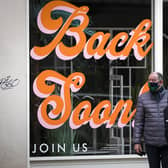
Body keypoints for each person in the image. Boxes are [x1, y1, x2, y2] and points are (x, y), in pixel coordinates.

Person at [133, 72, 168, 168]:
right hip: (151, 143)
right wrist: (137, 142)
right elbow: (139, 122)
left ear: (160, 82)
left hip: (166, 142)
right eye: (149, 80)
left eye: (153, 80)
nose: (151, 82)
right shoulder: (143, 98)